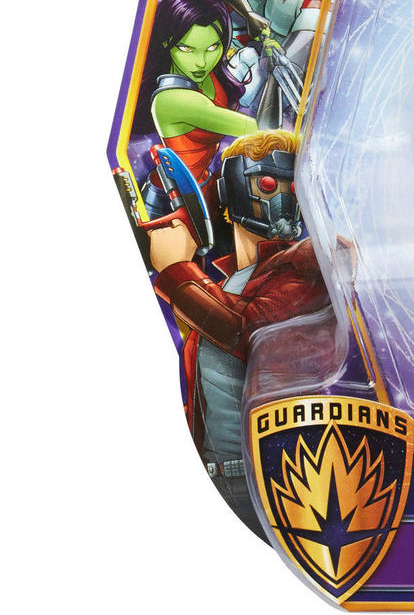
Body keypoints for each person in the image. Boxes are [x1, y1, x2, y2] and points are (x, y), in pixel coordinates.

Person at [149, 130, 329, 536]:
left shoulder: (307, 264)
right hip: (222, 470)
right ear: (233, 189)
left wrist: (176, 270)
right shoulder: (230, 282)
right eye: (268, 185)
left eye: (294, 187)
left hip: (267, 472)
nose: (284, 199)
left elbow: (247, 330)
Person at [136, 0, 256, 218]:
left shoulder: (203, 70)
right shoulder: (172, 99)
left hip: (201, 187)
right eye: (186, 49)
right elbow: (255, 128)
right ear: (166, 42)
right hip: (168, 202)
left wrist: (250, 15)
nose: (201, 62)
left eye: (212, 47)